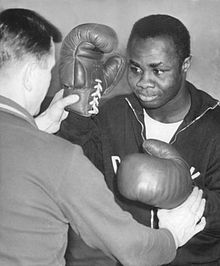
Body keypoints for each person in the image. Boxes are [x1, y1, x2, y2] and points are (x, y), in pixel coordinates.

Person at [0, 8, 206, 266]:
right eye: (49, 69)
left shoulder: (211, 121)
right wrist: (173, 234)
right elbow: (133, 251)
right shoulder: (59, 159)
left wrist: (36, 127)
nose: (144, 82)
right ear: (31, 75)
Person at [58, 14, 220, 266]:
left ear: (185, 64)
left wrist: (183, 196)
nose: (144, 81)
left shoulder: (214, 126)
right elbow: (68, 171)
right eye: (135, 68)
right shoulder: (113, 114)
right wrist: (77, 114)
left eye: (158, 70)